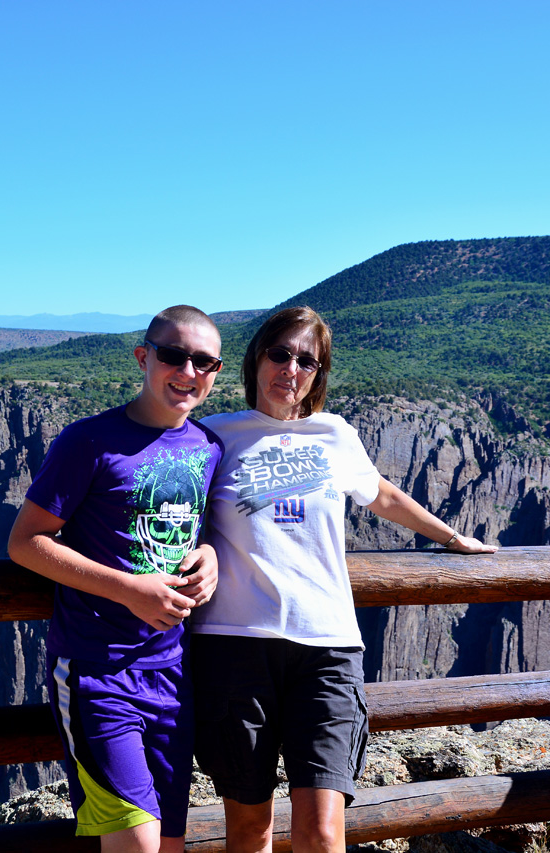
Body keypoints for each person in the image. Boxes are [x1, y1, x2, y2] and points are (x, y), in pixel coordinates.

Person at [191, 306, 497, 853]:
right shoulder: (212, 436)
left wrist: (453, 538)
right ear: (256, 357)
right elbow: (172, 512)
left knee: (323, 832)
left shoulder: (335, 434)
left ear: (319, 373)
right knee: (249, 829)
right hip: (235, 647)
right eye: (280, 353)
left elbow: (381, 494)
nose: (291, 368)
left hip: (327, 649)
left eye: (306, 360)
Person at [7, 304, 226, 853]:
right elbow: (25, 541)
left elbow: (207, 530)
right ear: (143, 358)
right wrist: (129, 590)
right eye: (174, 356)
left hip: (173, 677)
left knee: (169, 847)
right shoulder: (89, 442)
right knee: (139, 846)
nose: (189, 372)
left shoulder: (208, 448)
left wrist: (211, 554)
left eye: (205, 362)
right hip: (95, 674)